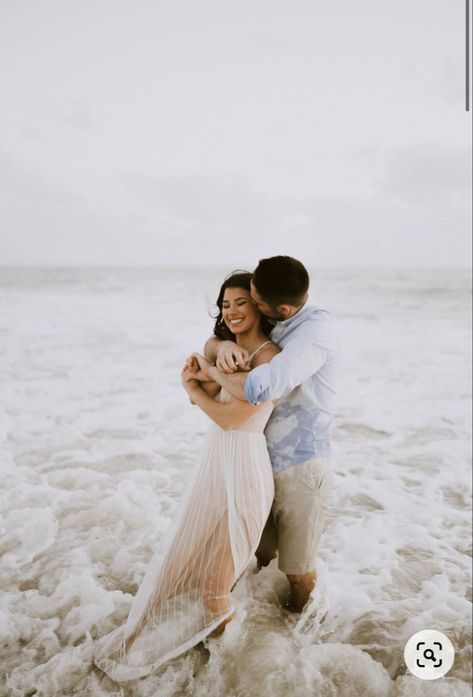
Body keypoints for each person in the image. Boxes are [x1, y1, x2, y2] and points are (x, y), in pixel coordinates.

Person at [93, 271, 280, 682]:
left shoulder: (270, 359)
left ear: (259, 306)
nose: (231, 311)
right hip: (215, 467)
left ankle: (239, 674)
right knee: (192, 569)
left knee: (214, 586)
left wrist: (196, 390)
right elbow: (209, 393)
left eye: (240, 303)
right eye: (225, 304)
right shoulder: (226, 351)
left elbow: (232, 418)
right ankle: (213, 660)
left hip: (246, 468)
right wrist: (202, 372)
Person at [191, 256, 339, 613]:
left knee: (298, 571)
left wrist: (210, 372)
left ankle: (294, 630)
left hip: (300, 465)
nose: (250, 307)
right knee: (258, 552)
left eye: (254, 302)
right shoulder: (278, 317)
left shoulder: (314, 337)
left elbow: (260, 386)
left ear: (282, 308)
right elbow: (222, 334)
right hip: (258, 464)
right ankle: (260, 623)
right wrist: (221, 346)